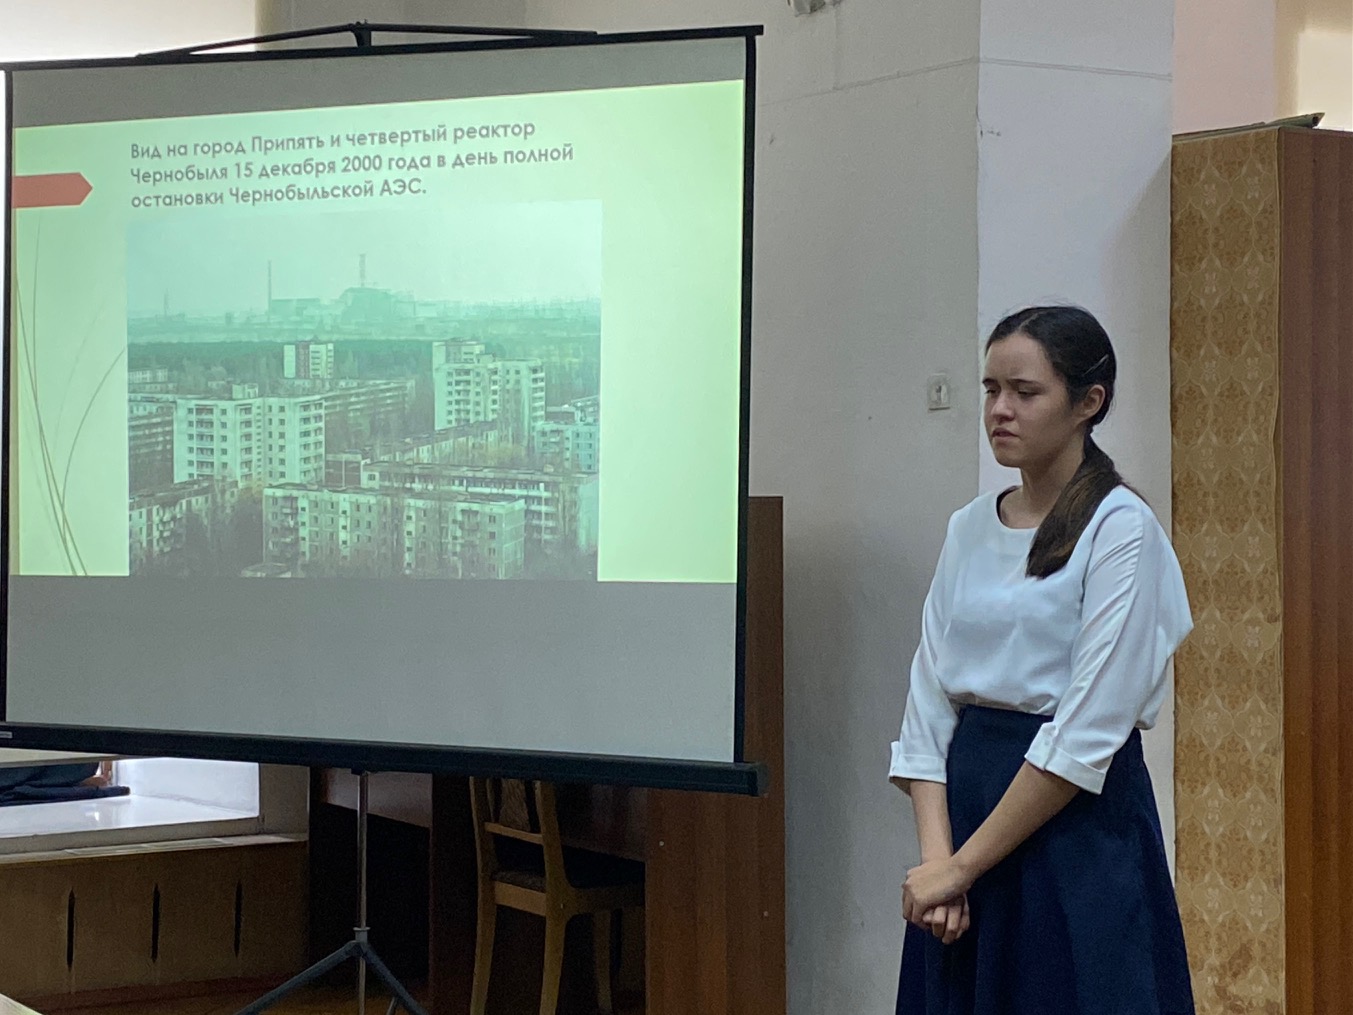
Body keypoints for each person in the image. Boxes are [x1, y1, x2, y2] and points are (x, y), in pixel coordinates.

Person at [890, 306, 1196, 1015]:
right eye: (990, 389)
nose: (999, 409)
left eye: (1024, 392)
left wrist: (963, 866)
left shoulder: (1121, 529)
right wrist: (939, 864)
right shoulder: (969, 526)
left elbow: (1086, 732)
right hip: (965, 812)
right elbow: (928, 700)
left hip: (1069, 825)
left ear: (1088, 403)